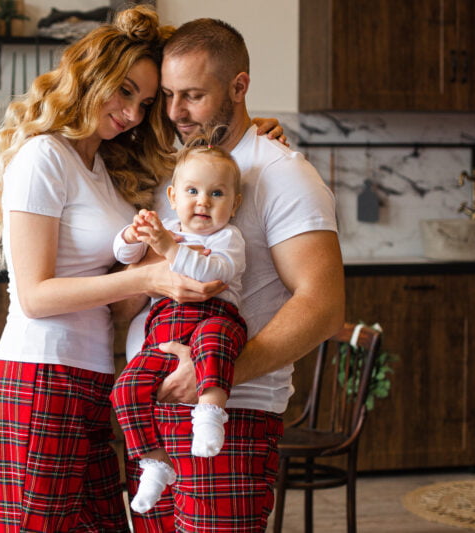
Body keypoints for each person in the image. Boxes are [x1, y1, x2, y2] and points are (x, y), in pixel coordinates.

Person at [0, 6, 284, 531]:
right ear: (87, 78)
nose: (134, 114)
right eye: (123, 92)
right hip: (39, 377)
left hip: (95, 382)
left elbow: (192, 187)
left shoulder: (102, 167)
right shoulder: (44, 156)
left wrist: (254, 136)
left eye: (146, 101)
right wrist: (148, 277)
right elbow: (35, 296)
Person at [123, 17, 346, 533]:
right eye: (170, 95)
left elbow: (323, 304)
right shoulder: (179, 172)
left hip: (235, 411)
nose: (176, 112)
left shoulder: (282, 173)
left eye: (193, 96)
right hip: (157, 413)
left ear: (239, 86)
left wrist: (212, 377)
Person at [110, 137, 247, 514]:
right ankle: (154, 462)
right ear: (172, 196)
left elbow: (211, 275)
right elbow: (123, 254)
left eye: (216, 193)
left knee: (213, 339)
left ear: (233, 204)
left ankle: (210, 411)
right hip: (164, 331)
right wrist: (131, 235)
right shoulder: (166, 226)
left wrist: (169, 248)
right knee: (125, 389)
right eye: (192, 191)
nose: (202, 201)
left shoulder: (227, 238)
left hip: (215, 316)